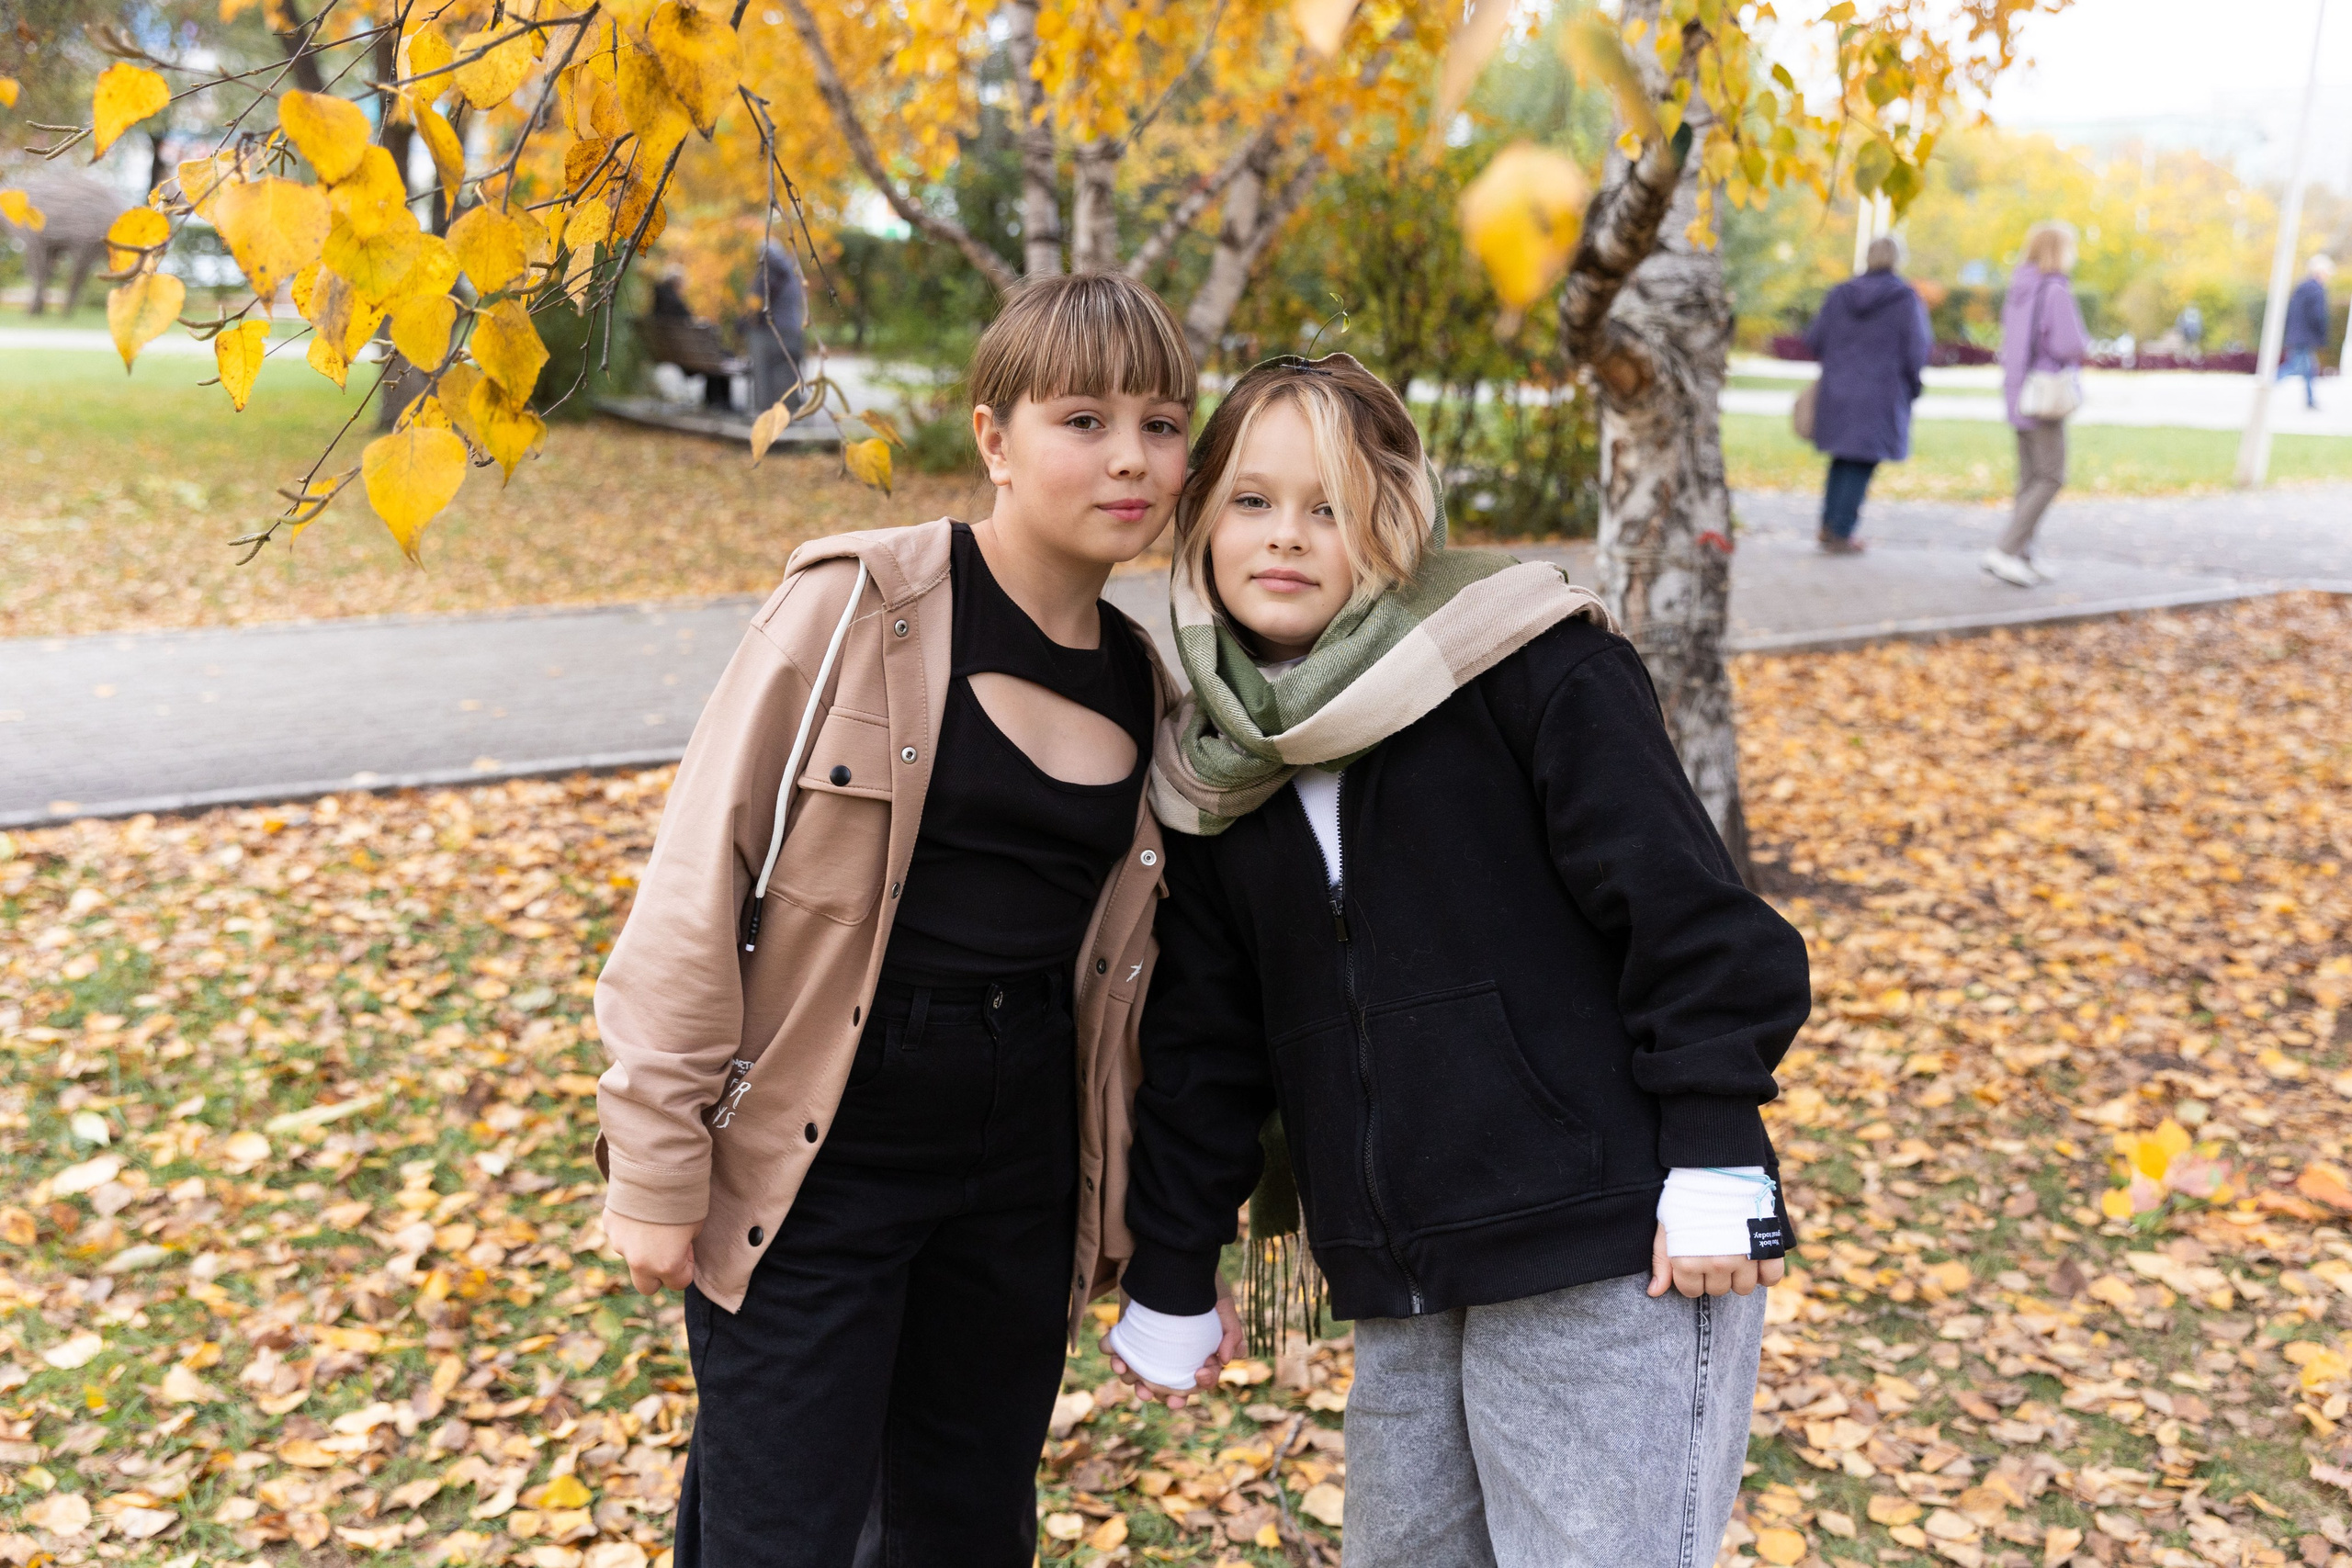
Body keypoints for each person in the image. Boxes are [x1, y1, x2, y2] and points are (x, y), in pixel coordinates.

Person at [1102, 354, 1814, 1566]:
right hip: (1404, 1274)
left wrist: (1713, 1148)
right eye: (1254, 500)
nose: (1287, 537)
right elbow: (1206, 1044)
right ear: (1201, 512)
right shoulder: (1218, 760)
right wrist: (1172, 1265)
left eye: (1329, 504)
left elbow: (1692, 920)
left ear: (1392, 516)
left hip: (1608, 1245)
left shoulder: (1531, 667)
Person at [593, 271, 1199, 1568]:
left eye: (1163, 422)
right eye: (1083, 419)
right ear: (995, 438)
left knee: (966, 1524)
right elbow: (698, 878)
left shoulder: (1149, 685)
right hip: (827, 1141)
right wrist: (655, 1159)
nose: (1132, 458)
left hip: (1022, 1156)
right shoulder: (853, 606)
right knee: (780, 1529)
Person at [1802, 235, 1932, 554]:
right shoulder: (1905, 299)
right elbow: (1917, 349)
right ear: (1898, 259)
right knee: (1861, 463)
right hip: (1880, 392)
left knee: (1841, 459)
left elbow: (1815, 339)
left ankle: (1829, 525)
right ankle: (1841, 532)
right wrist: (1913, 387)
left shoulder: (1839, 295)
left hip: (1839, 389)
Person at [1988, 220, 2087, 588]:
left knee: (2030, 478)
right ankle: (2006, 551)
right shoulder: (2055, 289)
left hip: (2018, 390)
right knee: (2050, 476)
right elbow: (2069, 344)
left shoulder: (2020, 287)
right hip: (2044, 393)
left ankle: (2023, 554)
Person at [746, 231, 808, 414]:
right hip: (792, 330)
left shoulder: (767, 274)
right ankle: (788, 412)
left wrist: (746, 320)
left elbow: (756, 304)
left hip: (770, 332)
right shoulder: (791, 271)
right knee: (788, 374)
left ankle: (767, 414)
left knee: (765, 375)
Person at [2281, 254, 2335, 412]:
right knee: (2294, 366)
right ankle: (2266, 387)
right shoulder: (2316, 290)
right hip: (2306, 337)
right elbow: (2318, 316)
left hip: (2298, 335)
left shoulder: (2302, 287)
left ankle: (2310, 400)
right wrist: (2321, 335)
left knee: (2309, 369)